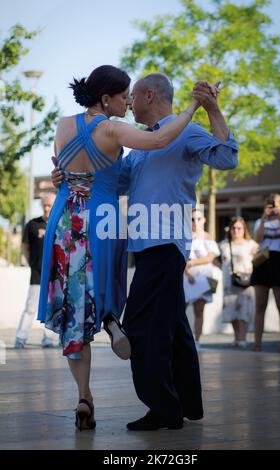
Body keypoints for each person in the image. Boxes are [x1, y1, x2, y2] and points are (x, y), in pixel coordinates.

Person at [52, 73, 238, 431]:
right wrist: (66, 176)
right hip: (147, 247)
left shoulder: (185, 131)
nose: (129, 104)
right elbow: (107, 180)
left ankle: (162, 409)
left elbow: (227, 157)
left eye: (133, 96)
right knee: (174, 328)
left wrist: (212, 110)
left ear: (149, 95)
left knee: (139, 326)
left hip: (165, 244)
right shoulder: (139, 146)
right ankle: (188, 405)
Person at [252, 194, 280, 353]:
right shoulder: (260, 222)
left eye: (275, 205)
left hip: (279, 261)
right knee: (260, 305)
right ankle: (257, 344)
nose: (272, 209)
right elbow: (257, 240)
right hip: (263, 261)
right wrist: (265, 218)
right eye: (270, 206)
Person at [15, 194, 57, 349]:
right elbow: (25, 247)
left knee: (52, 307)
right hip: (37, 273)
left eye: (50, 205)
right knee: (31, 307)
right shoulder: (32, 224)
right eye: (45, 205)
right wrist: (31, 263)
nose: (47, 208)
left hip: (54, 274)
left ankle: (49, 339)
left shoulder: (58, 224)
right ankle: (20, 338)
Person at [184, 209, 221, 350]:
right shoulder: (186, 237)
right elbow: (182, 258)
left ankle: (197, 340)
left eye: (198, 219)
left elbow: (210, 257)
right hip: (186, 279)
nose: (195, 222)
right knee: (180, 311)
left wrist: (192, 263)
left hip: (202, 280)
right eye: (192, 219)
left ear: (204, 220)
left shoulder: (208, 237)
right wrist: (188, 273)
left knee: (199, 311)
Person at [220, 217, 258, 349]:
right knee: (232, 311)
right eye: (233, 228)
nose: (236, 231)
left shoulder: (251, 244)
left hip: (245, 281)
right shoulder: (224, 244)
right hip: (229, 282)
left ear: (244, 229)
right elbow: (218, 260)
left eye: (239, 228)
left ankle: (243, 338)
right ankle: (237, 337)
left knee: (244, 311)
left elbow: (260, 258)